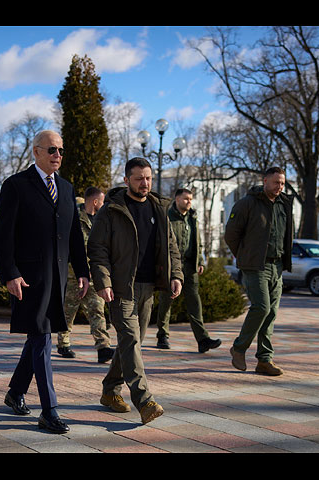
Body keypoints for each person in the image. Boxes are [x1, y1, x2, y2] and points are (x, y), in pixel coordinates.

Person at [0, 130, 89, 434]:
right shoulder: (16, 186)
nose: (57, 155)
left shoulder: (66, 188)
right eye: (51, 150)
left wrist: (83, 270)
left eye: (61, 150)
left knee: (38, 337)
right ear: (36, 152)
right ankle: (49, 410)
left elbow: (74, 236)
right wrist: (9, 273)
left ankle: (15, 392)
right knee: (42, 339)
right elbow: (2, 235)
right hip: (28, 280)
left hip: (58, 280)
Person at [87, 157, 183, 425]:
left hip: (149, 287)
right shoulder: (111, 210)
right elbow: (97, 249)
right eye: (139, 178)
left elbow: (171, 247)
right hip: (121, 288)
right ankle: (144, 400)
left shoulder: (159, 208)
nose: (145, 183)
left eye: (149, 178)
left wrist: (176, 275)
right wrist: (103, 281)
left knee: (132, 343)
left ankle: (109, 390)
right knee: (130, 341)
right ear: (126, 179)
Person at [224, 166, 294, 376]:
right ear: (265, 181)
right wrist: (244, 255)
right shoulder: (247, 203)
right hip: (255, 266)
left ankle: (264, 360)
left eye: (282, 183)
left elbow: (287, 234)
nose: (279, 187)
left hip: (277, 265)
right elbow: (231, 234)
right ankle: (239, 347)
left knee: (271, 313)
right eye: (275, 183)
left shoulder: (284, 204)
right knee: (261, 308)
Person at [156, 188, 221, 353]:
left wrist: (200, 260)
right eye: (186, 199)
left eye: (191, 199)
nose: (189, 202)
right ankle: (162, 334)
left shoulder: (193, 218)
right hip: (172, 267)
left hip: (190, 267)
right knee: (166, 300)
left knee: (194, 303)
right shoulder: (167, 218)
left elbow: (198, 242)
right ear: (177, 199)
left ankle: (202, 339)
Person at [57, 187, 114, 364]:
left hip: (95, 276)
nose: (103, 205)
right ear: (95, 202)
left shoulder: (101, 222)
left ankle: (103, 347)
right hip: (74, 276)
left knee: (97, 310)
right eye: (102, 201)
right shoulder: (74, 220)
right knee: (68, 311)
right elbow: (67, 248)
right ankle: (63, 343)